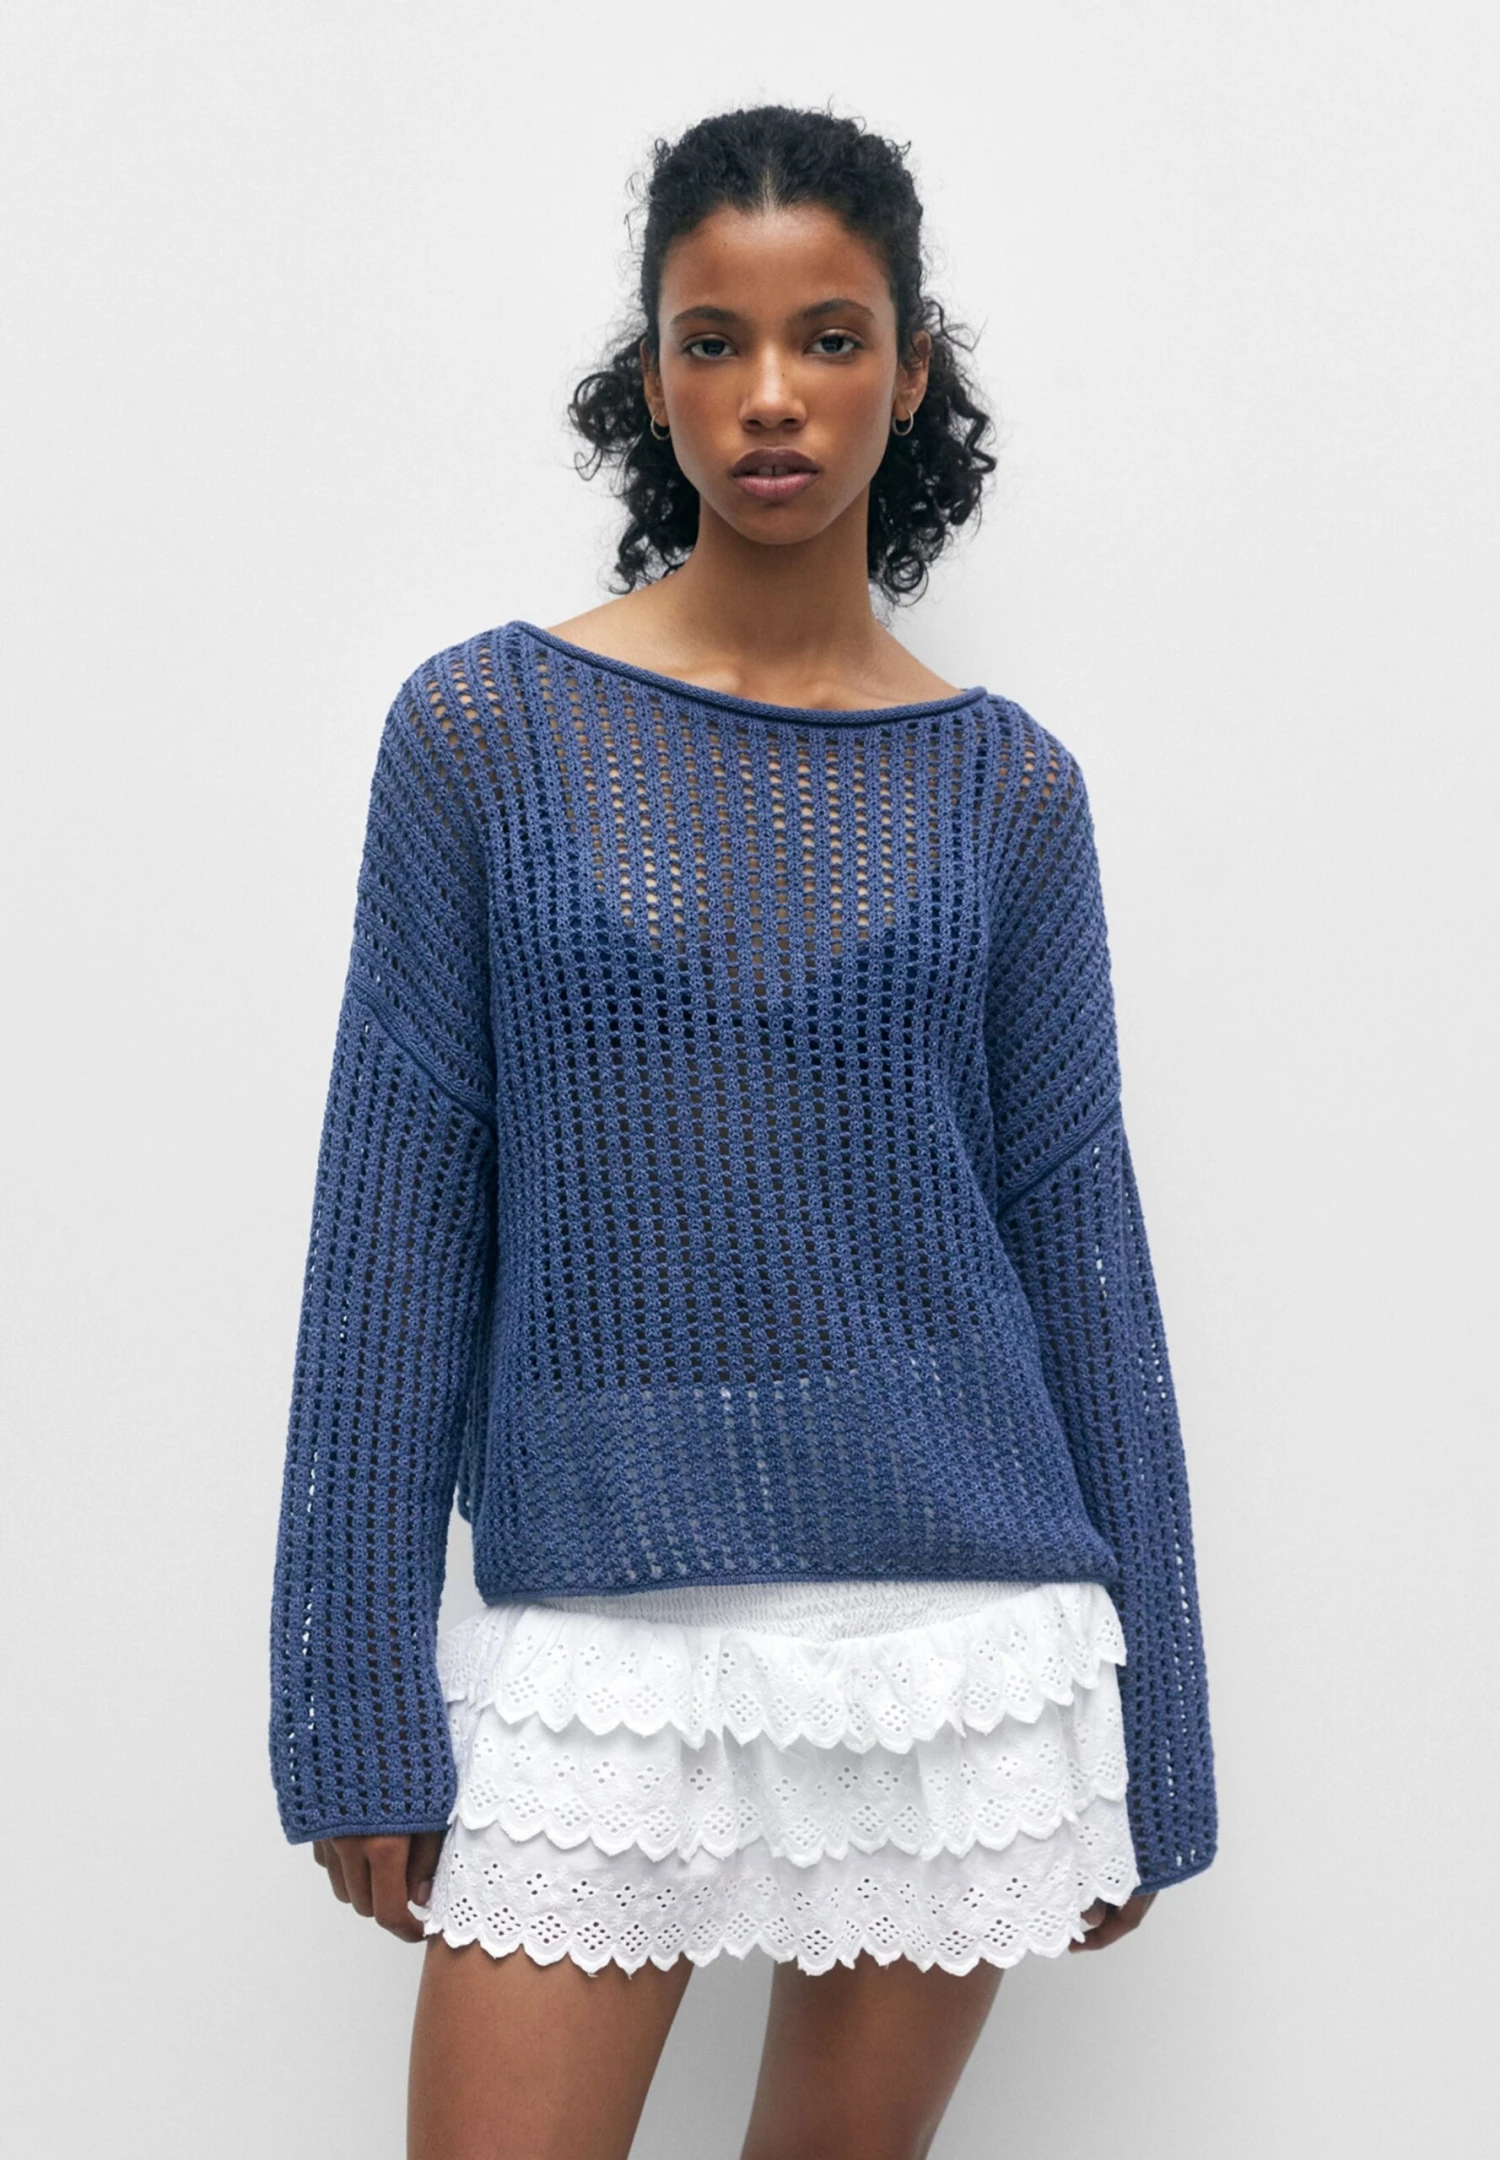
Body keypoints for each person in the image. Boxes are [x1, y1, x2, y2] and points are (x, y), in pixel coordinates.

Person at [268, 102, 1218, 2160]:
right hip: (596, 1638)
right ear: (652, 379)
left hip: (953, 1654)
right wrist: (348, 1688)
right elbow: (393, 1237)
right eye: (715, 340)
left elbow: (1081, 1247)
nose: (770, 393)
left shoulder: (1010, 791)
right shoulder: (483, 737)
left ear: (913, 370)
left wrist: (1168, 1736)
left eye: (828, 337)